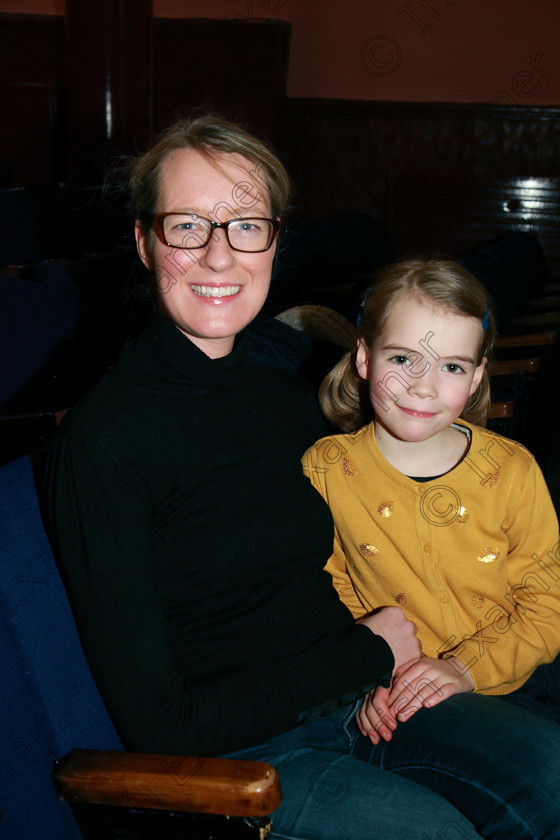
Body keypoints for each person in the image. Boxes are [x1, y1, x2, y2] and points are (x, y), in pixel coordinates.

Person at [303, 257, 560, 837]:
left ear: (475, 377)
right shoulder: (326, 469)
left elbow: (547, 603)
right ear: (364, 358)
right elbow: (323, 594)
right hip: (396, 699)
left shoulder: (512, 470)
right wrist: (367, 677)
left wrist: (465, 668)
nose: (423, 384)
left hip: (516, 677)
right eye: (402, 359)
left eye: (449, 365)